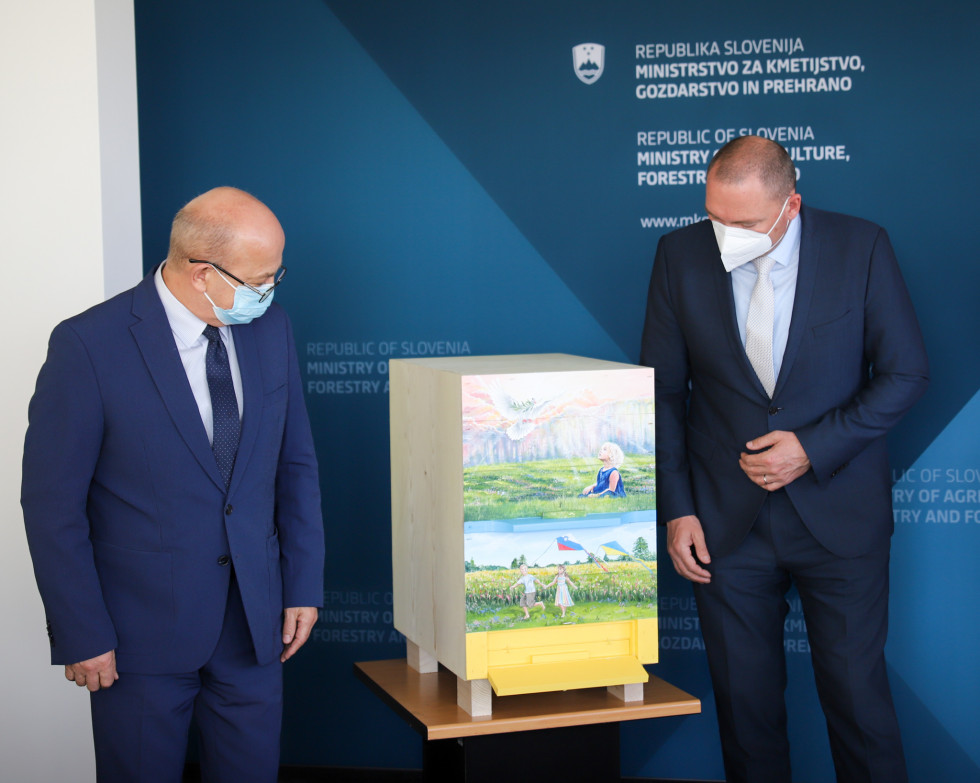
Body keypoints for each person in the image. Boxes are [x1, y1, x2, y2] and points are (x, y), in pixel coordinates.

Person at [640, 136, 928, 783]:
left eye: (740, 224)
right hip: (725, 527)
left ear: (789, 205)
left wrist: (812, 446)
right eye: (714, 217)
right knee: (747, 718)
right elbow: (659, 392)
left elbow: (907, 372)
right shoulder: (678, 255)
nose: (722, 237)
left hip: (839, 520)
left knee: (859, 709)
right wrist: (678, 508)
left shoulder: (862, 248)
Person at [21, 187, 326, 783]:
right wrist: (81, 631)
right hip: (137, 637)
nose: (269, 292)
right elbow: (52, 505)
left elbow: (296, 464)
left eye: (275, 277)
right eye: (259, 279)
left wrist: (302, 585)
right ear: (200, 271)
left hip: (253, 625)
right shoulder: (88, 345)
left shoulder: (271, 328)